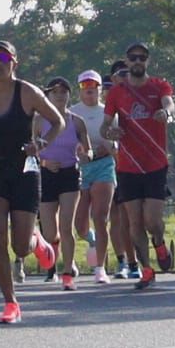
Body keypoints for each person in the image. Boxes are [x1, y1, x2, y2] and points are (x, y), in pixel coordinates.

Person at [0, 40, 63, 323]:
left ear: (14, 63)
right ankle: (10, 303)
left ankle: (36, 240)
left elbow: (58, 122)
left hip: (25, 169)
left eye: (4, 57)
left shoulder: (27, 92)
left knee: (19, 246)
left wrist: (41, 143)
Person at [103, 42, 175, 289]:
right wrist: (111, 131)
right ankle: (146, 269)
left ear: (147, 61)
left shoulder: (158, 85)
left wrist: (166, 112)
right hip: (128, 166)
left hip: (155, 163)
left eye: (141, 58)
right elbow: (105, 125)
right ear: (126, 60)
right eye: (133, 57)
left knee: (152, 220)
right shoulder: (116, 92)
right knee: (134, 222)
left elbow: (169, 103)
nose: (137, 62)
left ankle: (160, 242)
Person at [38, 76, 93, 290]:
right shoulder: (38, 121)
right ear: (48, 96)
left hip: (69, 174)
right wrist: (44, 161)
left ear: (69, 95)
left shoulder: (76, 121)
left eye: (64, 91)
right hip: (46, 175)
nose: (60, 95)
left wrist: (84, 154)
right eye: (55, 92)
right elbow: (27, 150)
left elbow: (88, 149)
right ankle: (52, 252)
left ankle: (68, 272)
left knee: (66, 226)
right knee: (50, 232)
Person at [70, 69, 116, 285]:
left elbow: (118, 142)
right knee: (79, 224)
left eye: (94, 87)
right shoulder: (71, 113)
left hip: (103, 166)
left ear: (100, 88)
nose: (89, 90)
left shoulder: (108, 112)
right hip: (80, 168)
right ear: (79, 89)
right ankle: (92, 240)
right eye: (84, 87)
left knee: (100, 216)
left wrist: (110, 146)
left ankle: (100, 268)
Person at [104, 60, 138, 280]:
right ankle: (124, 261)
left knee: (139, 218)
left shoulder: (141, 100)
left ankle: (144, 255)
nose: (124, 78)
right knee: (118, 219)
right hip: (113, 168)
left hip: (139, 166)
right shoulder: (109, 103)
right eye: (119, 75)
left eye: (127, 73)